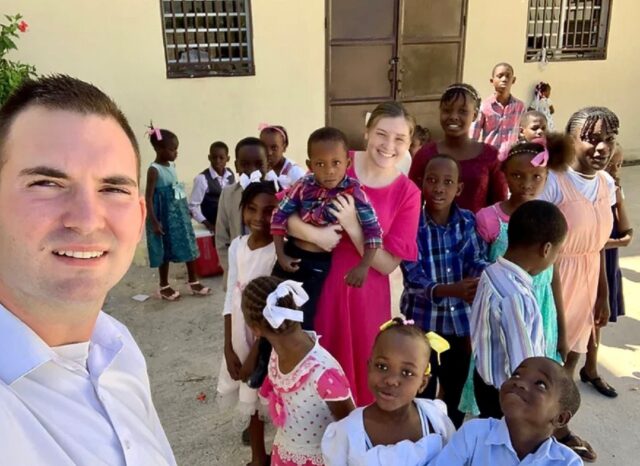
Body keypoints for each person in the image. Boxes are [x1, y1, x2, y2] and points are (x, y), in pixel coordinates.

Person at [0, 75, 176, 464]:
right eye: (46, 183)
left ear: (140, 216)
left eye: (113, 189)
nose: (86, 220)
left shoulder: (117, 347)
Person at [287, 102, 422, 406]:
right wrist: (314, 234)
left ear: (409, 143)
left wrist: (352, 225)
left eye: (400, 139)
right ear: (366, 133)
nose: (388, 146)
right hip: (316, 285)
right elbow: (284, 211)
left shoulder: (408, 193)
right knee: (312, 367)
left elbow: (387, 265)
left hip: (364, 296)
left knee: (359, 378)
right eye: (381, 134)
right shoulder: (335, 159)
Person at [539, 106, 619, 462]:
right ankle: (532, 430)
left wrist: (603, 296)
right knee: (545, 359)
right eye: (590, 139)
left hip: (588, 278)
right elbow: (542, 248)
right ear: (571, 140)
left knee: (572, 358)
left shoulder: (607, 184)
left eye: (608, 139)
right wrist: (555, 307)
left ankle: (557, 427)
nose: (600, 147)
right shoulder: (553, 181)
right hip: (553, 279)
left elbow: (599, 245)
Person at [400, 154, 488, 428]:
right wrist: (453, 289)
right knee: (421, 385)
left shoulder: (467, 221)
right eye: (432, 180)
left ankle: (452, 435)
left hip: (460, 325)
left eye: (448, 182)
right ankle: (422, 435)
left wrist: (489, 274)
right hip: (423, 325)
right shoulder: (412, 223)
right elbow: (413, 278)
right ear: (421, 183)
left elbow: (475, 260)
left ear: (459, 188)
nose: (439, 188)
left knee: (456, 384)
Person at [271, 126, 383, 330]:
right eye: (320, 164)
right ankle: (266, 360)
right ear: (309, 165)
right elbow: (279, 216)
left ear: (348, 163)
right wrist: (280, 254)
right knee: (272, 311)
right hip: (291, 254)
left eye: (336, 163)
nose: (329, 170)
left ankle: (299, 361)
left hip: (317, 265)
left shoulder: (355, 193)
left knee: (302, 320)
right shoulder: (303, 186)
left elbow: (373, 232)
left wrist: (364, 265)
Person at [241, 276, 355, 466]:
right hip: (285, 454)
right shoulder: (276, 352)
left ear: (255, 329)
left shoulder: (322, 373)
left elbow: (352, 425)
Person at [471, 200, 567, 419]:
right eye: (558, 252)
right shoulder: (518, 298)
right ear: (547, 249)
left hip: (485, 378)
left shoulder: (492, 272)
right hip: (509, 396)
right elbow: (525, 367)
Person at [321, 317, 455, 466]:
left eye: (407, 373)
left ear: (423, 383)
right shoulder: (346, 433)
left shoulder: (435, 419)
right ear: (369, 367)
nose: (391, 380)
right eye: (382, 366)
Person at [216, 181, 278, 466]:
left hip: (267, 337)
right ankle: (257, 457)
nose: (258, 218)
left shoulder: (278, 253)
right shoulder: (238, 246)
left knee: (271, 396)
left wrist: (256, 352)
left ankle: (280, 454)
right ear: (242, 211)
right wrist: (229, 346)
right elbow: (231, 293)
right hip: (241, 334)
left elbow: (276, 308)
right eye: (251, 209)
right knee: (248, 396)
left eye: (268, 211)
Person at [428, 357, 583, 465]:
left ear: (561, 418)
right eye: (516, 374)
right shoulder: (474, 434)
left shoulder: (567, 462)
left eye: (540, 384)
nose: (520, 383)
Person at [409, 83, 508, 213]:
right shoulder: (425, 154)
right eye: (447, 110)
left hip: (478, 231)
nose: (454, 116)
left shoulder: (490, 156)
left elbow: (500, 205)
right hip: (432, 232)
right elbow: (411, 201)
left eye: (462, 111)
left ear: (475, 115)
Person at [145, 126, 210, 300]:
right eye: (172, 149)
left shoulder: (172, 165)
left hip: (178, 213)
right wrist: (154, 222)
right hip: (163, 215)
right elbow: (148, 197)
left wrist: (185, 208)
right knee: (164, 249)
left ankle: (193, 281)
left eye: (177, 149)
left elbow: (177, 188)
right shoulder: (154, 170)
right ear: (159, 149)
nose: (176, 153)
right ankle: (164, 285)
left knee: (188, 243)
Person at [215, 137, 269, 284]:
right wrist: (231, 270)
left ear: (267, 164)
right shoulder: (228, 194)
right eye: (245, 164)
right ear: (236, 166)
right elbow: (221, 238)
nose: (252, 170)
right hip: (238, 274)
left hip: (269, 272)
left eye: (258, 164)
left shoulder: (277, 194)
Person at [605, 143, 633, 323]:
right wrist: (617, 242)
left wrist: (619, 199)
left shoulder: (615, 191)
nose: (615, 169)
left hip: (609, 258)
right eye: (610, 164)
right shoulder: (593, 193)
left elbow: (626, 231)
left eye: (619, 164)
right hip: (593, 261)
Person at [470, 62, 526, 151]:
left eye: (508, 76)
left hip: (510, 158)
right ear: (492, 81)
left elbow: (523, 134)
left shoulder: (520, 107)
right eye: (500, 76)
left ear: (513, 80)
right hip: (490, 157)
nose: (504, 79)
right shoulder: (484, 106)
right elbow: (473, 136)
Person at [188, 141, 236, 231]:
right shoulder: (202, 179)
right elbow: (192, 207)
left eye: (221, 158)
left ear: (228, 158)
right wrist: (208, 224)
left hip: (229, 222)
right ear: (209, 158)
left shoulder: (230, 174)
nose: (218, 161)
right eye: (214, 157)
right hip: (214, 222)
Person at [260, 124, 305, 189]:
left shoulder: (295, 173)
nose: (269, 153)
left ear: (284, 147)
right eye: (264, 147)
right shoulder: (258, 170)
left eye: (274, 148)